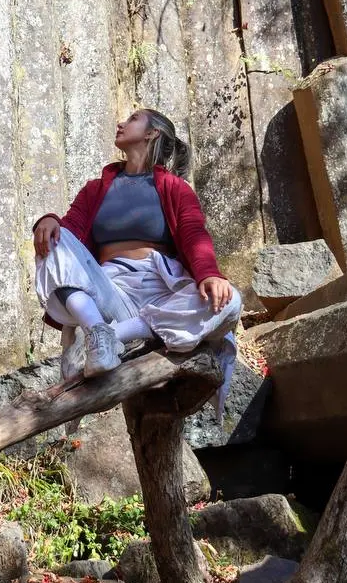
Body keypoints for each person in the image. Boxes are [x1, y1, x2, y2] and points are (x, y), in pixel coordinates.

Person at [32, 108, 242, 397]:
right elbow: (71, 232)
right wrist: (49, 221)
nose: (120, 123)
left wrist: (209, 274)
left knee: (231, 301)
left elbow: (194, 233)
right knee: (51, 238)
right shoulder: (95, 189)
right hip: (110, 293)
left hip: (163, 293)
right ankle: (97, 331)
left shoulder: (175, 188)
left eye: (132, 119)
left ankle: (111, 337)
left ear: (151, 133)